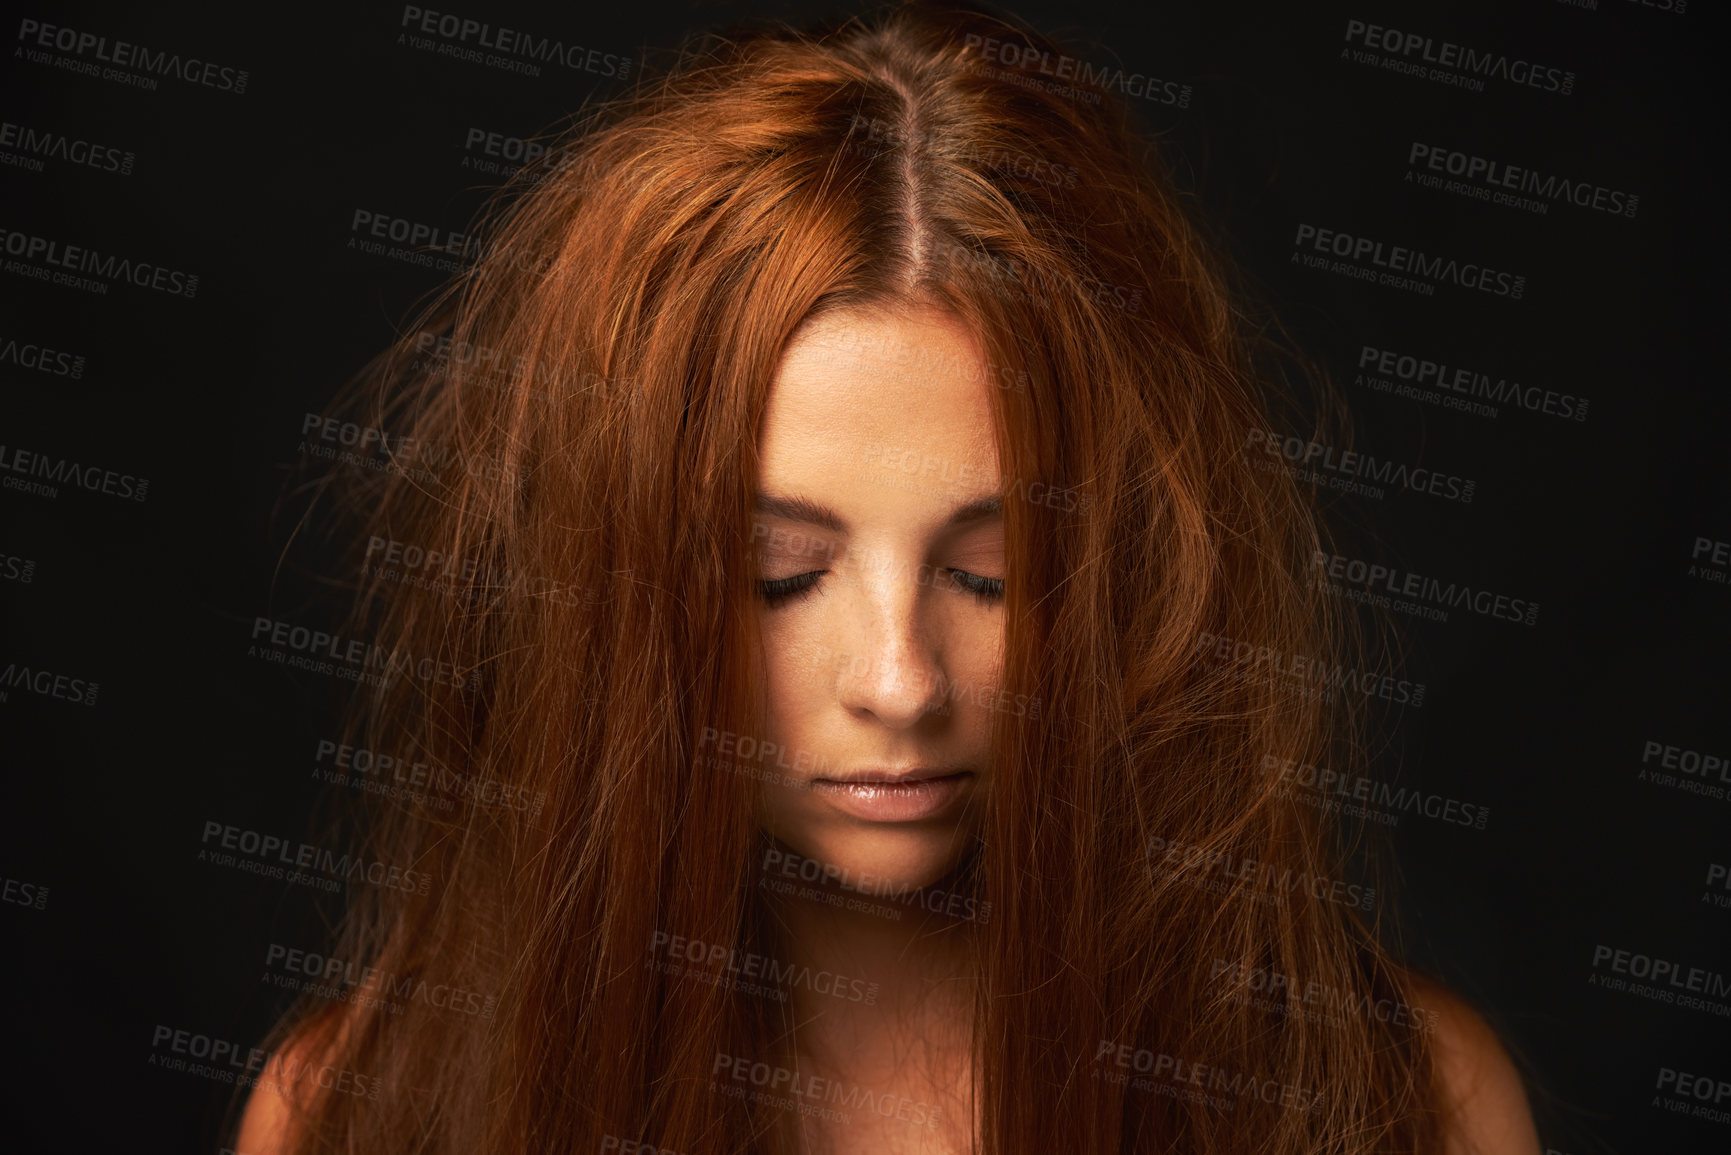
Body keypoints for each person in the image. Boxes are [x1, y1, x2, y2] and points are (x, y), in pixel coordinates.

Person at [236, 2, 1542, 1151]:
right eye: (778, 576)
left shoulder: (1398, 1106)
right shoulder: (364, 1114)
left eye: (994, 573)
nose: (899, 682)